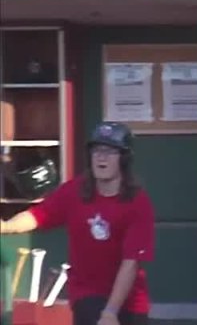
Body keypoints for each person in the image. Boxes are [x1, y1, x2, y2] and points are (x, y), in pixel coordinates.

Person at [0, 122, 155, 325]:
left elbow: (131, 263)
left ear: (124, 159)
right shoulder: (74, 191)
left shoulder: (137, 203)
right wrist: (6, 226)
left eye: (109, 151)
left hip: (129, 302)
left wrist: (110, 312)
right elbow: (38, 215)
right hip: (87, 293)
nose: (101, 157)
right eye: (97, 150)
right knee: (90, 309)